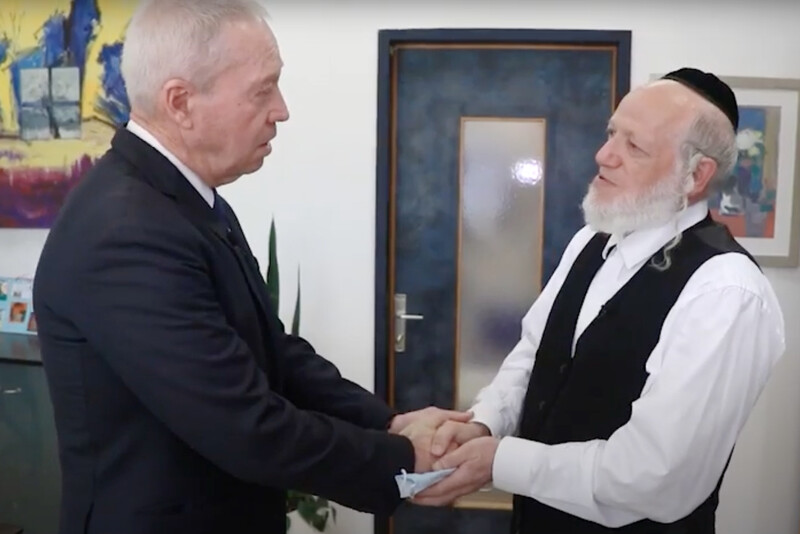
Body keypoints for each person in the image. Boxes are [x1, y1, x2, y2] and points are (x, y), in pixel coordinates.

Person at [32, 2, 467, 533]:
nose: (281, 110)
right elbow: (243, 425)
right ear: (181, 102)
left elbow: (271, 352)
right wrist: (405, 459)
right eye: (263, 90)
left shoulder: (189, 201)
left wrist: (388, 421)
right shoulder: (124, 230)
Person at [412, 68, 786, 533]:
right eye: (612, 133)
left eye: (634, 146)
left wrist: (502, 461)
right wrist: (484, 423)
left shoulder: (727, 290)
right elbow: (534, 356)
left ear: (696, 175)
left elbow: (656, 475)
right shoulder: (591, 239)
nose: (603, 155)